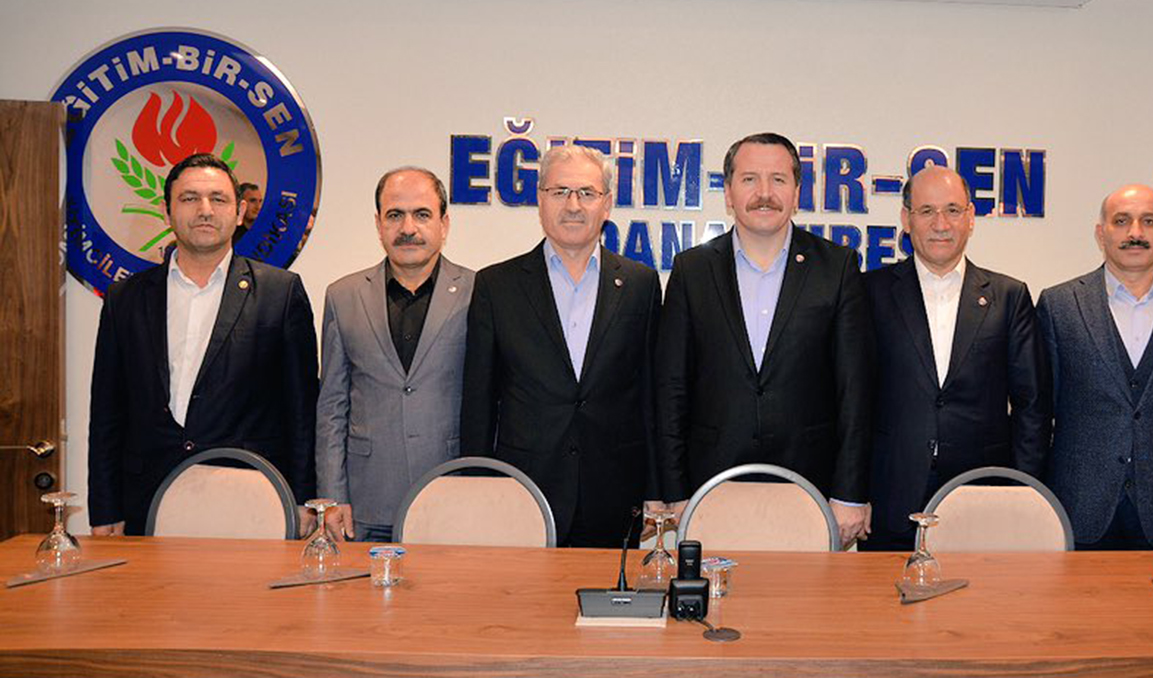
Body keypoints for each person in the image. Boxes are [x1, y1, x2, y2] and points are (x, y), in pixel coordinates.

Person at [655, 132, 875, 548]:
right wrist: (675, 491)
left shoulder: (837, 267)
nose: (764, 193)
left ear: (796, 193)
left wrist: (849, 493)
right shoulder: (692, 270)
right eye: (749, 179)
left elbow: (855, 390)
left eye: (778, 179)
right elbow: (671, 390)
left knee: (805, 592)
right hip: (711, 486)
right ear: (729, 192)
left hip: (810, 487)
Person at [88, 153, 318, 536]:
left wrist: (303, 498)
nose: (205, 210)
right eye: (189, 198)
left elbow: (302, 410)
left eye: (218, 199)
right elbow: (107, 414)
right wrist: (105, 509)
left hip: (251, 501)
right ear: (166, 211)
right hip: (146, 500)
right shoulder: (124, 299)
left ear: (240, 212)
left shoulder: (280, 293)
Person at [459, 144, 660, 548]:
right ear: (540, 200)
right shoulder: (497, 286)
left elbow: (651, 396)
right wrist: (478, 486)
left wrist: (656, 490)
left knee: (607, 590)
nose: (573, 205)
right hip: (523, 489)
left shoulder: (641, 284)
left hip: (615, 491)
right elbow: (478, 402)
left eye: (587, 193)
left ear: (607, 204)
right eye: (560, 192)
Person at [863, 166, 1049, 551]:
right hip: (889, 491)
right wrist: (851, 492)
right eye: (926, 211)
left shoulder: (1009, 296)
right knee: (884, 591)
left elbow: (1032, 405)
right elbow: (852, 398)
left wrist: (1024, 490)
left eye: (952, 210)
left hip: (982, 491)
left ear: (970, 218)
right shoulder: (869, 292)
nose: (940, 224)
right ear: (906, 219)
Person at [1037, 184, 1153, 549]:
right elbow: (1038, 411)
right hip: (1078, 504)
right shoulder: (1059, 305)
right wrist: (1037, 493)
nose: (1135, 233)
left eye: (1149, 221)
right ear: (1101, 233)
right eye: (1122, 221)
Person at [317, 167, 474, 542]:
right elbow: (332, 407)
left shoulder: (479, 292)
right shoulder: (343, 296)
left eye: (422, 214)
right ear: (378, 224)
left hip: (452, 494)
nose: (408, 228)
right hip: (366, 502)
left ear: (444, 224)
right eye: (394, 215)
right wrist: (332, 496)